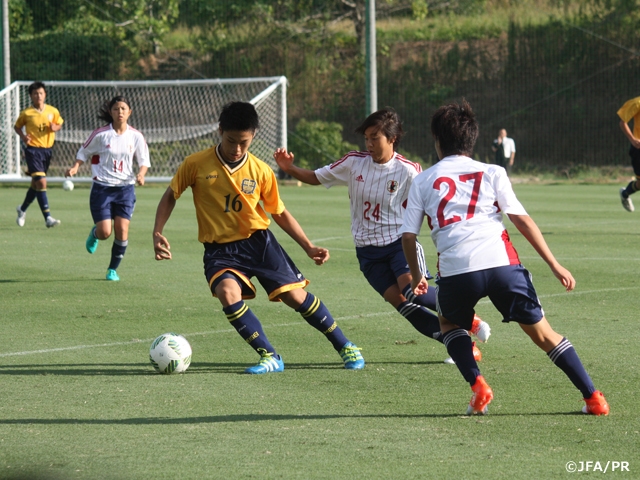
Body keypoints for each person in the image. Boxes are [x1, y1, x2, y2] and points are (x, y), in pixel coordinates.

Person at [401, 100, 609, 416]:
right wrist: (554, 264)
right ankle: (594, 398)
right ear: (472, 139)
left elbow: (408, 237)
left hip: (458, 270)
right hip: (502, 265)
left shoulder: (422, 179)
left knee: (448, 324)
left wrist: (417, 277)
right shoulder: (493, 171)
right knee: (544, 335)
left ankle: (478, 385)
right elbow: (521, 220)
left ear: (437, 141)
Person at [152, 101, 365, 375]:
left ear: (253, 136)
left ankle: (345, 345)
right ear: (219, 131)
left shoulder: (261, 170)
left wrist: (308, 246)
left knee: (295, 298)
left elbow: (279, 212)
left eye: (244, 142)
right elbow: (171, 195)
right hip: (219, 250)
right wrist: (158, 231)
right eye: (231, 140)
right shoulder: (195, 164)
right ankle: (270, 356)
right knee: (227, 293)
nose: (236, 148)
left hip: (260, 244)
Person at [273, 109, 491, 364]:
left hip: (399, 245)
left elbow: (428, 203)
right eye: (366, 137)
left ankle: (469, 319)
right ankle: (461, 344)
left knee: (414, 293)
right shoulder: (354, 162)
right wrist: (289, 168)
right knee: (405, 307)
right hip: (367, 253)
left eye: (375, 137)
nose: (369, 143)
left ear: (392, 138)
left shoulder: (409, 170)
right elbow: (315, 177)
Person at [65, 96, 150, 282]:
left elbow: (144, 160)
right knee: (105, 232)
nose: (120, 112)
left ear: (129, 112)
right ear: (111, 112)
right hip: (102, 188)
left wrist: (141, 174)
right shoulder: (101, 134)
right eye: (116, 109)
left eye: (123, 108)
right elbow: (84, 151)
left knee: (122, 229)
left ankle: (112, 269)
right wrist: (75, 166)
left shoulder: (136, 136)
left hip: (125, 189)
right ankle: (95, 234)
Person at [14, 81, 64, 228]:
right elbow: (17, 127)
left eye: (41, 93)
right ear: (31, 96)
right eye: (35, 93)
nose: (38, 96)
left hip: (47, 150)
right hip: (33, 150)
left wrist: (56, 127)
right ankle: (48, 218)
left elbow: (59, 123)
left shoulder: (52, 111)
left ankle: (22, 209)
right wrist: (23, 137)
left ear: (45, 94)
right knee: (41, 182)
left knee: (36, 185)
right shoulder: (27, 113)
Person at [616, 96, 640, 212]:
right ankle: (625, 194)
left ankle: (625, 193)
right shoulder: (637, 103)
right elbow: (623, 122)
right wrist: (633, 140)